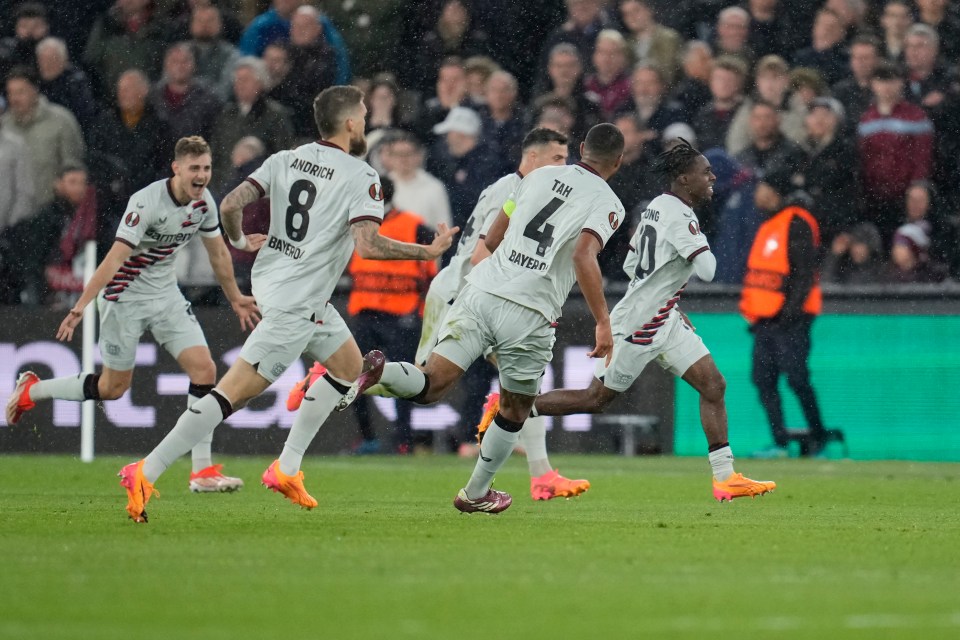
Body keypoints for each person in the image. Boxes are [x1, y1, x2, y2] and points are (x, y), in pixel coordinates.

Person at [114, 86, 456, 522]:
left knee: (349, 371)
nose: (367, 121)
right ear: (350, 123)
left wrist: (238, 239)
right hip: (297, 301)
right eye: (364, 115)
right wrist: (424, 253)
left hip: (281, 283)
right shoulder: (361, 176)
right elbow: (368, 246)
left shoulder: (285, 159)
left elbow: (231, 203)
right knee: (229, 395)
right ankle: (146, 469)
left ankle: (287, 468)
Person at [349, 123, 627, 514]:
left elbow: (495, 234)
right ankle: (476, 491)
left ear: (581, 148)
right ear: (619, 161)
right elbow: (584, 255)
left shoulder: (538, 176)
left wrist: (502, 253)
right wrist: (602, 320)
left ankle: (383, 372)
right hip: (530, 312)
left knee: (431, 384)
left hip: (481, 291)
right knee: (515, 407)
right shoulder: (609, 201)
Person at [478, 139, 776, 502]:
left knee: (713, 385)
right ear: (684, 179)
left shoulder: (655, 208)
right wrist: (698, 249)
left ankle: (725, 477)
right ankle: (512, 405)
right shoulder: (682, 217)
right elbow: (709, 271)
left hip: (663, 319)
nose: (712, 178)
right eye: (705, 173)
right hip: (639, 325)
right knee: (595, 398)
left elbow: (632, 266)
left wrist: (664, 296)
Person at [5, 136, 258, 494]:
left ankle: (202, 472)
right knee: (113, 388)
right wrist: (81, 306)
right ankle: (34, 389)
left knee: (205, 369)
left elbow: (218, 253)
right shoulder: (146, 202)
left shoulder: (204, 204)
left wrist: (235, 298)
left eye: (206, 168)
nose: (201, 176)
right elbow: (115, 258)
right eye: (194, 169)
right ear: (177, 168)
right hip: (123, 298)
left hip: (165, 295)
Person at [413, 128, 590, 498]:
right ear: (533, 157)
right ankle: (342, 377)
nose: (564, 166)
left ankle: (541, 476)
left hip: (485, 295)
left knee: (524, 383)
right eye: (557, 159)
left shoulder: (529, 190)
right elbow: (481, 255)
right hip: (461, 293)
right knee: (423, 384)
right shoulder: (511, 189)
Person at [343, 175, 438, 454]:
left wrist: (418, 312)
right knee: (353, 376)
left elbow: (430, 274)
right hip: (365, 312)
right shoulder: (355, 226)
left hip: (400, 315)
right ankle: (369, 438)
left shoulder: (414, 225)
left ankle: (403, 440)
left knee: (402, 380)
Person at [740, 167, 828, 458]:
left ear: (773, 192)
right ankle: (779, 442)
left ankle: (818, 437)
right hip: (767, 321)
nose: (756, 194)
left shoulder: (796, 222)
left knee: (797, 379)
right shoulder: (769, 224)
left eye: (761, 187)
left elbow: (803, 275)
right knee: (763, 379)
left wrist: (789, 316)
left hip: (790, 320)